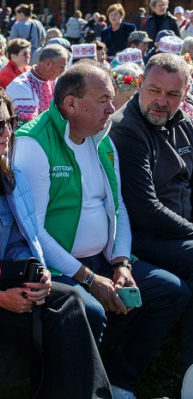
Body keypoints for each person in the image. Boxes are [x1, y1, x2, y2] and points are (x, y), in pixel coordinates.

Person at [13, 61, 190, 399]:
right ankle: (85, 388)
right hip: (57, 268)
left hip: (103, 260)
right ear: (71, 104)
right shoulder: (34, 143)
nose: (113, 108)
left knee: (171, 291)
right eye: (104, 99)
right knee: (92, 309)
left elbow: (118, 208)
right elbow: (33, 232)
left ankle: (121, 382)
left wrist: (122, 264)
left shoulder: (102, 138)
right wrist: (90, 280)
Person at [0, 85, 113, 399]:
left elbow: (22, 242)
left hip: (10, 279)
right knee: (70, 312)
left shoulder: (10, 175)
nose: (8, 132)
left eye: (11, 123)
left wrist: (39, 276)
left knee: (72, 302)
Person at [110, 53, 193, 376]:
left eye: (172, 94)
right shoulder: (127, 129)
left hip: (179, 231)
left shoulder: (183, 125)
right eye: (154, 90)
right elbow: (145, 209)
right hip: (141, 237)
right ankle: (187, 372)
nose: (161, 101)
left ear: (185, 94)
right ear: (139, 84)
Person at [6, 44, 69, 126]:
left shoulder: (53, 82)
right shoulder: (21, 85)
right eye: (62, 67)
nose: (63, 71)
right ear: (48, 64)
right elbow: (29, 124)